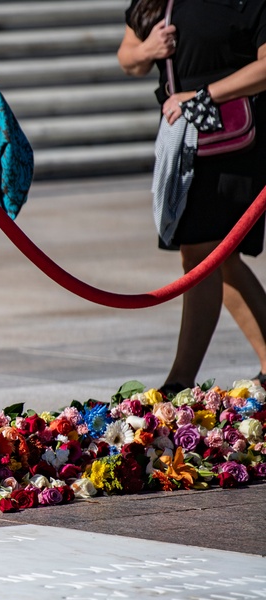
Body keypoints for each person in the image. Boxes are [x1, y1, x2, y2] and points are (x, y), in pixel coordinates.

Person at [117, 0, 266, 394]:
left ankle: (180, 380)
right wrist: (149, 49)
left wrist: (202, 96)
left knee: (201, 252)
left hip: (237, 140)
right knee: (222, 258)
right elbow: (128, 57)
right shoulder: (159, 1)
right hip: (185, 142)